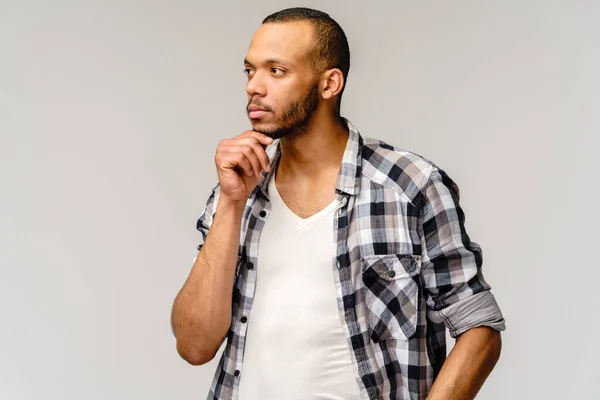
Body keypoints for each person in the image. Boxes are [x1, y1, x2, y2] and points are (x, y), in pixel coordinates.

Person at [170, 7, 506, 400]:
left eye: (275, 71)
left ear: (330, 83)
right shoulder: (239, 189)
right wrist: (230, 202)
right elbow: (194, 346)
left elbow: (479, 327)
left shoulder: (409, 186)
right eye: (250, 70)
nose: (253, 87)